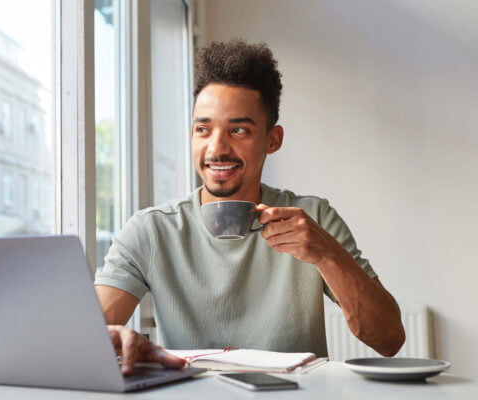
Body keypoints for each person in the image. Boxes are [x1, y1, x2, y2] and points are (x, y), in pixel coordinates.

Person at [94, 39, 406, 375]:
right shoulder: (151, 230)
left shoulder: (313, 219)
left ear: (273, 140)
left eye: (238, 130)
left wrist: (328, 254)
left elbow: (388, 340)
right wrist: (115, 338)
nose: (217, 148)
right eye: (203, 129)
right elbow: (85, 335)